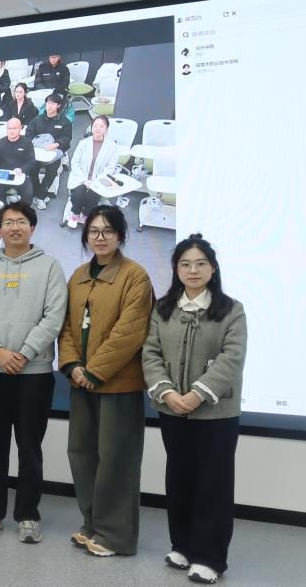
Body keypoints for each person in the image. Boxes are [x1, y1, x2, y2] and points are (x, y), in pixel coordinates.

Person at [142, 234, 247, 584]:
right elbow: (150, 353)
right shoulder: (163, 308)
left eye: (201, 263)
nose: (193, 270)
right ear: (176, 269)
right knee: (180, 478)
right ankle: (183, 546)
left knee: (213, 483)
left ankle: (209, 557)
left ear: (213, 268)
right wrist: (167, 393)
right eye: (185, 264)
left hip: (216, 414)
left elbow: (232, 358)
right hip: (172, 409)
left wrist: (198, 394)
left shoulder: (231, 309)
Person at [0, 202, 68, 544]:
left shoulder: (50, 266)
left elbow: (54, 316)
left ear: (32, 228)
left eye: (21, 221)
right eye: (8, 222)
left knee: (30, 447)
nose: (15, 227)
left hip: (34, 372)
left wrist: (24, 353)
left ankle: (27, 515)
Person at [58, 205, 153, 558]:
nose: (100, 237)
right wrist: (73, 366)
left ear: (120, 235)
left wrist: (94, 371)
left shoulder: (135, 277)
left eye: (108, 231)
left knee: (116, 460)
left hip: (117, 385)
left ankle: (116, 536)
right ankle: (92, 524)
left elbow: (130, 332)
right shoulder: (78, 275)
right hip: (81, 383)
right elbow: (66, 327)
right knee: (82, 454)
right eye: (94, 231)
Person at [66, 115, 120, 229]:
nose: (97, 129)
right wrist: (84, 180)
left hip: (99, 180)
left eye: (101, 126)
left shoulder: (112, 147)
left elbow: (110, 168)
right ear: (91, 127)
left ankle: (86, 215)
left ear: (106, 129)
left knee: (93, 195)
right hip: (80, 178)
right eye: (95, 126)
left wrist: (95, 181)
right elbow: (74, 163)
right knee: (78, 194)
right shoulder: (83, 143)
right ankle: (75, 214)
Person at [25, 92, 73, 210]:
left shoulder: (65, 122)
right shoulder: (37, 120)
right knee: (31, 169)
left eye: (53, 103)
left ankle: (40, 196)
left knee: (52, 171)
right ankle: (39, 193)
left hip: (53, 153)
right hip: (37, 152)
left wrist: (57, 144)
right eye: (48, 103)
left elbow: (67, 138)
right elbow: (28, 135)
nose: (49, 106)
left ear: (58, 106)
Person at [0, 117, 36, 205]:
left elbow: (32, 161)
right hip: (3, 175)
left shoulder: (27, 143)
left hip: (20, 174)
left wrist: (22, 169)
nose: (11, 131)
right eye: (9, 128)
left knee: (28, 193)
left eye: (14, 128)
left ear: (20, 129)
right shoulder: (0, 143)